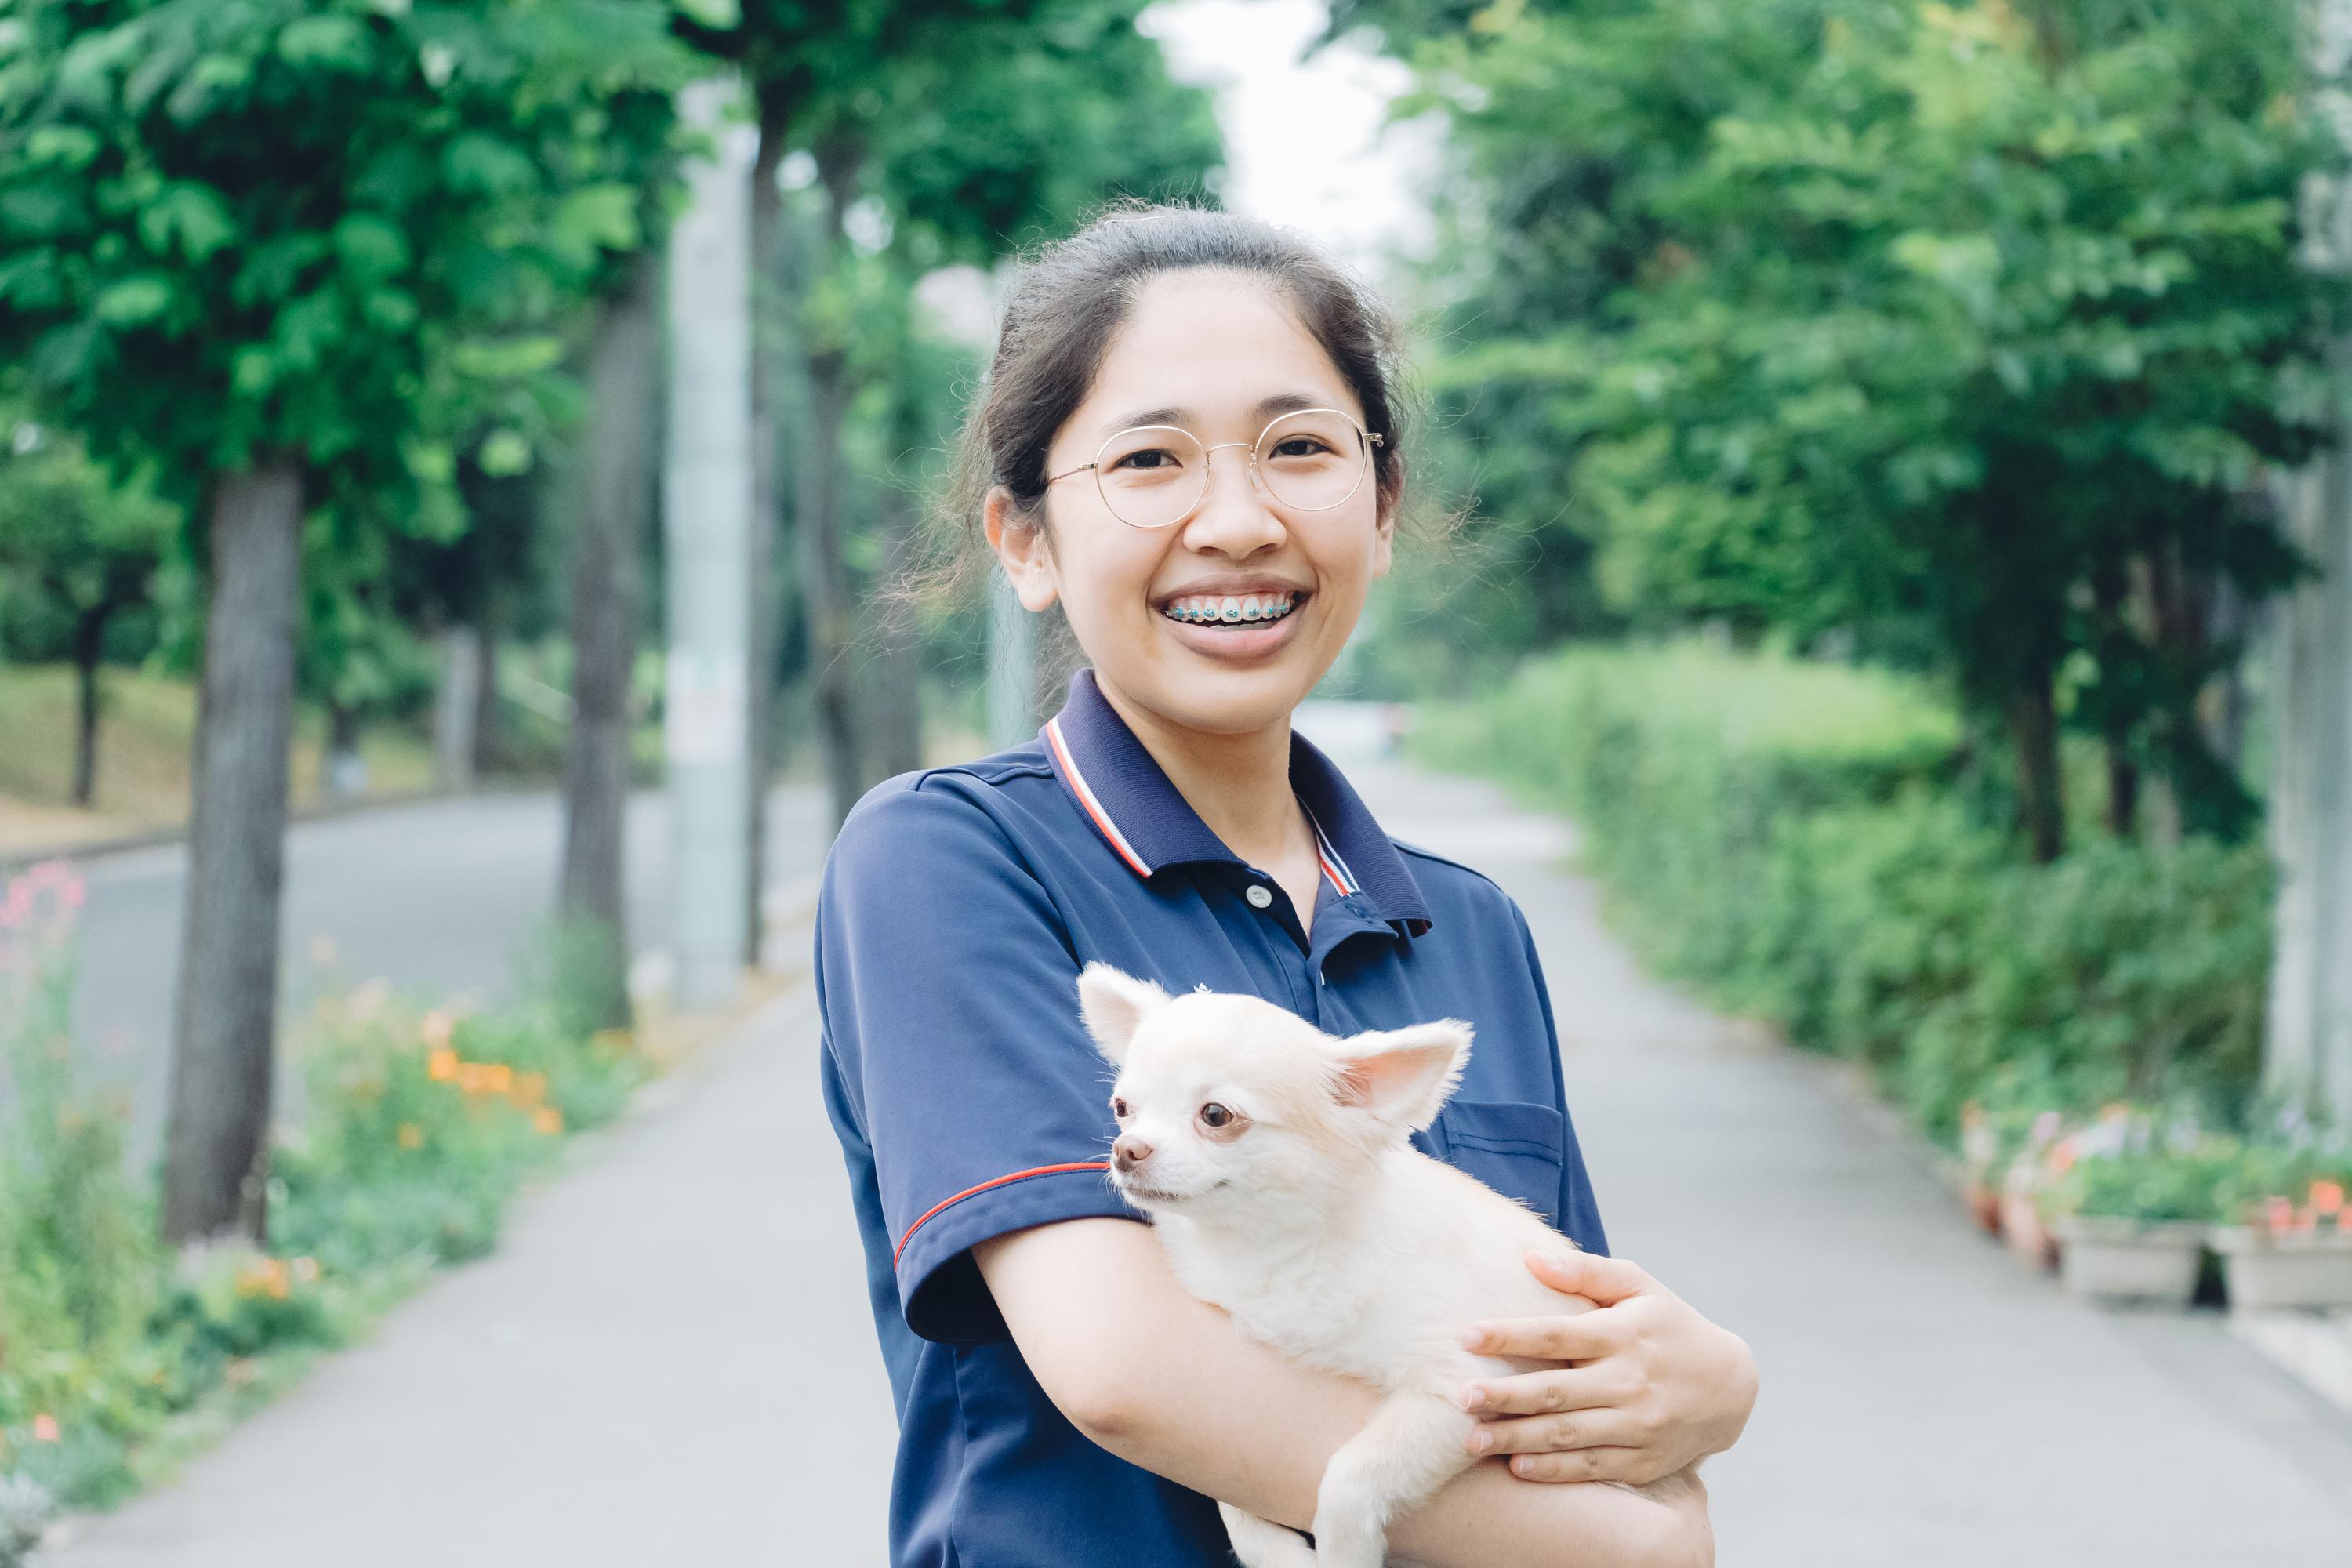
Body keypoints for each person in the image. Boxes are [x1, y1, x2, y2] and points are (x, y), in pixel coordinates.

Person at [815, 202, 1754, 1568]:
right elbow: (1126, 1367)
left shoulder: (1466, 925)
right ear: (1024, 542)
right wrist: (1632, 1547)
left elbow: (1561, 1376)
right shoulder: (950, 860)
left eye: (1300, 449)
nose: (1240, 522)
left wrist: (1706, 1383)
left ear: (1379, 512)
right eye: (1150, 459)